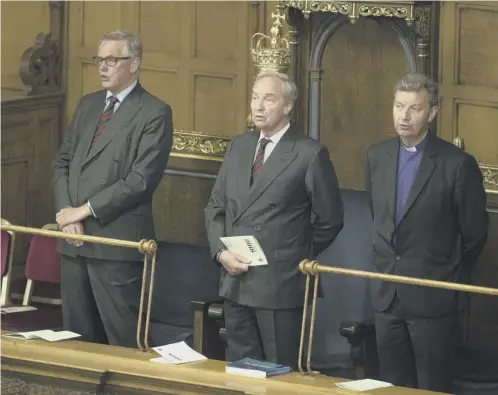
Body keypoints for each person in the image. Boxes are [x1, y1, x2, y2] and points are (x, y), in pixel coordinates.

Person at [205, 71, 344, 367]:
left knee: (280, 374)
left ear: (288, 106)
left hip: (281, 286)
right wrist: (220, 252)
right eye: (255, 97)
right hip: (236, 281)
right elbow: (215, 207)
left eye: (268, 99)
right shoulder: (239, 146)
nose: (258, 106)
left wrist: (289, 253)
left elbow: (330, 220)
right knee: (241, 374)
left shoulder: (309, 153)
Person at [365, 73, 488, 392]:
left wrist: (447, 277)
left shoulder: (457, 164)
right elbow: (380, 219)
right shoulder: (377, 156)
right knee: (393, 386)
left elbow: (474, 234)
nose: (404, 116)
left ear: (432, 113)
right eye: (398, 106)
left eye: (414, 109)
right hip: (386, 295)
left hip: (433, 298)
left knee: (432, 387)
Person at [52, 30, 173, 347]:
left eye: (111, 60)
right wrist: (68, 216)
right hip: (74, 240)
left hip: (116, 243)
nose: (102, 67)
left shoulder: (154, 112)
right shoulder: (88, 105)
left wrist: (85, 209)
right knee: (75, 343)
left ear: (134, 64)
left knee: (123, 343)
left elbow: (140, 180)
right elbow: (62, 163)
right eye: (99, 60)